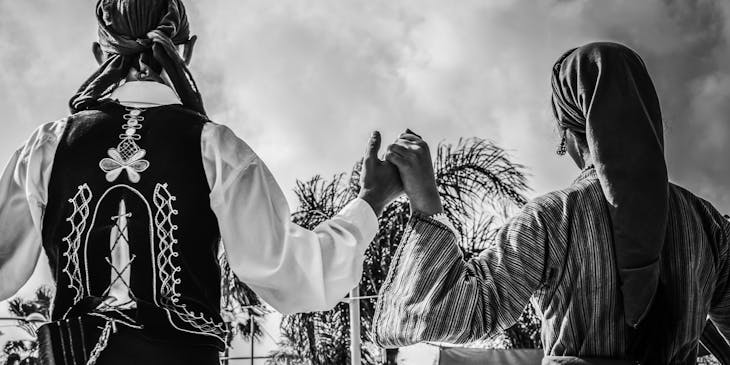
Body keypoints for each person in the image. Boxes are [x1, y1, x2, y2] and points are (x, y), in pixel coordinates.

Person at [0, 1, 402, 364]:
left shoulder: (47, 146)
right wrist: (370, 200)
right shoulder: (217, 148)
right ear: (186, 50)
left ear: (98, 53)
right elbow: (295, 276)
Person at [373, 42, 730, 364]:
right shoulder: (706, 223)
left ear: (572, 135)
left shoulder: (553, 218)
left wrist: (425, 201)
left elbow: (449, 313)